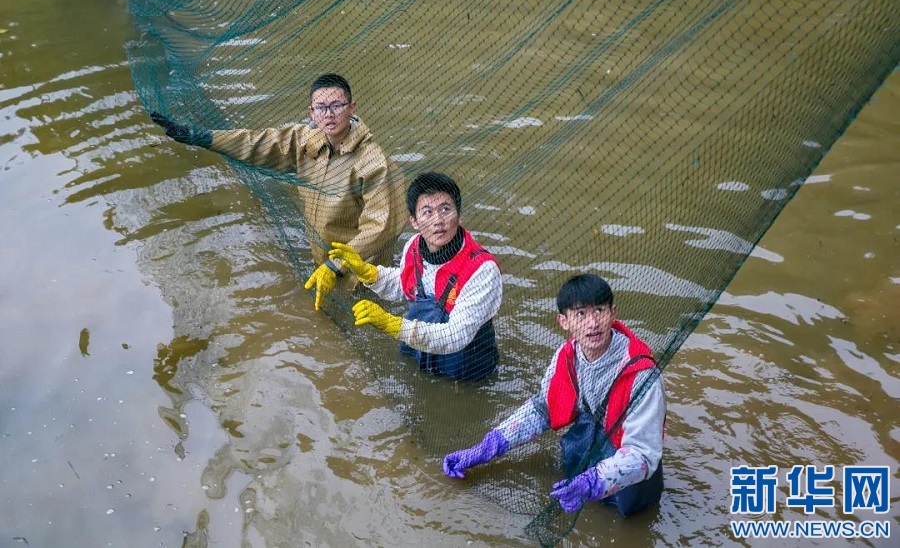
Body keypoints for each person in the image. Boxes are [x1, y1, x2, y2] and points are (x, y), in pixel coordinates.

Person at [148, 73, 407, 310]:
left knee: (366, 319)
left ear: (352, 108)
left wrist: (336, 266)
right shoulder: (306, 141)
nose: (329, 114)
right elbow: (257, 144)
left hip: (360, 273)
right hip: (323, 261)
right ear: (312, 112)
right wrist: (202, 138)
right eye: (321, 107)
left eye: (337, 106)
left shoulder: (372, 163)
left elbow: (379, 227)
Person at [442, 274, 665, 516]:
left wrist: (594, 482)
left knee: (631, 519)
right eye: (580, 314)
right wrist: (488, 446)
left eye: (599, 310)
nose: (592, 323)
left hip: (631, 470)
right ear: (564, 321)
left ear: (613, 313)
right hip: (592, 443)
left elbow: (643, 453)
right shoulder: (566, 356)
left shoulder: (643, 374)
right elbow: (543, 409)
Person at [327, 172, 501, 381]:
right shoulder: (413, 247)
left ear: (460, 215)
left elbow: (456, 336)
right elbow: (407, 283)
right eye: (427, 212)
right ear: (414, 222)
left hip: (466, 369)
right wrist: (370, 273)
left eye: (445, 209)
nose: (438, 221)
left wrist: (393, 324)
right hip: (420, 349)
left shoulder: (483, 270)